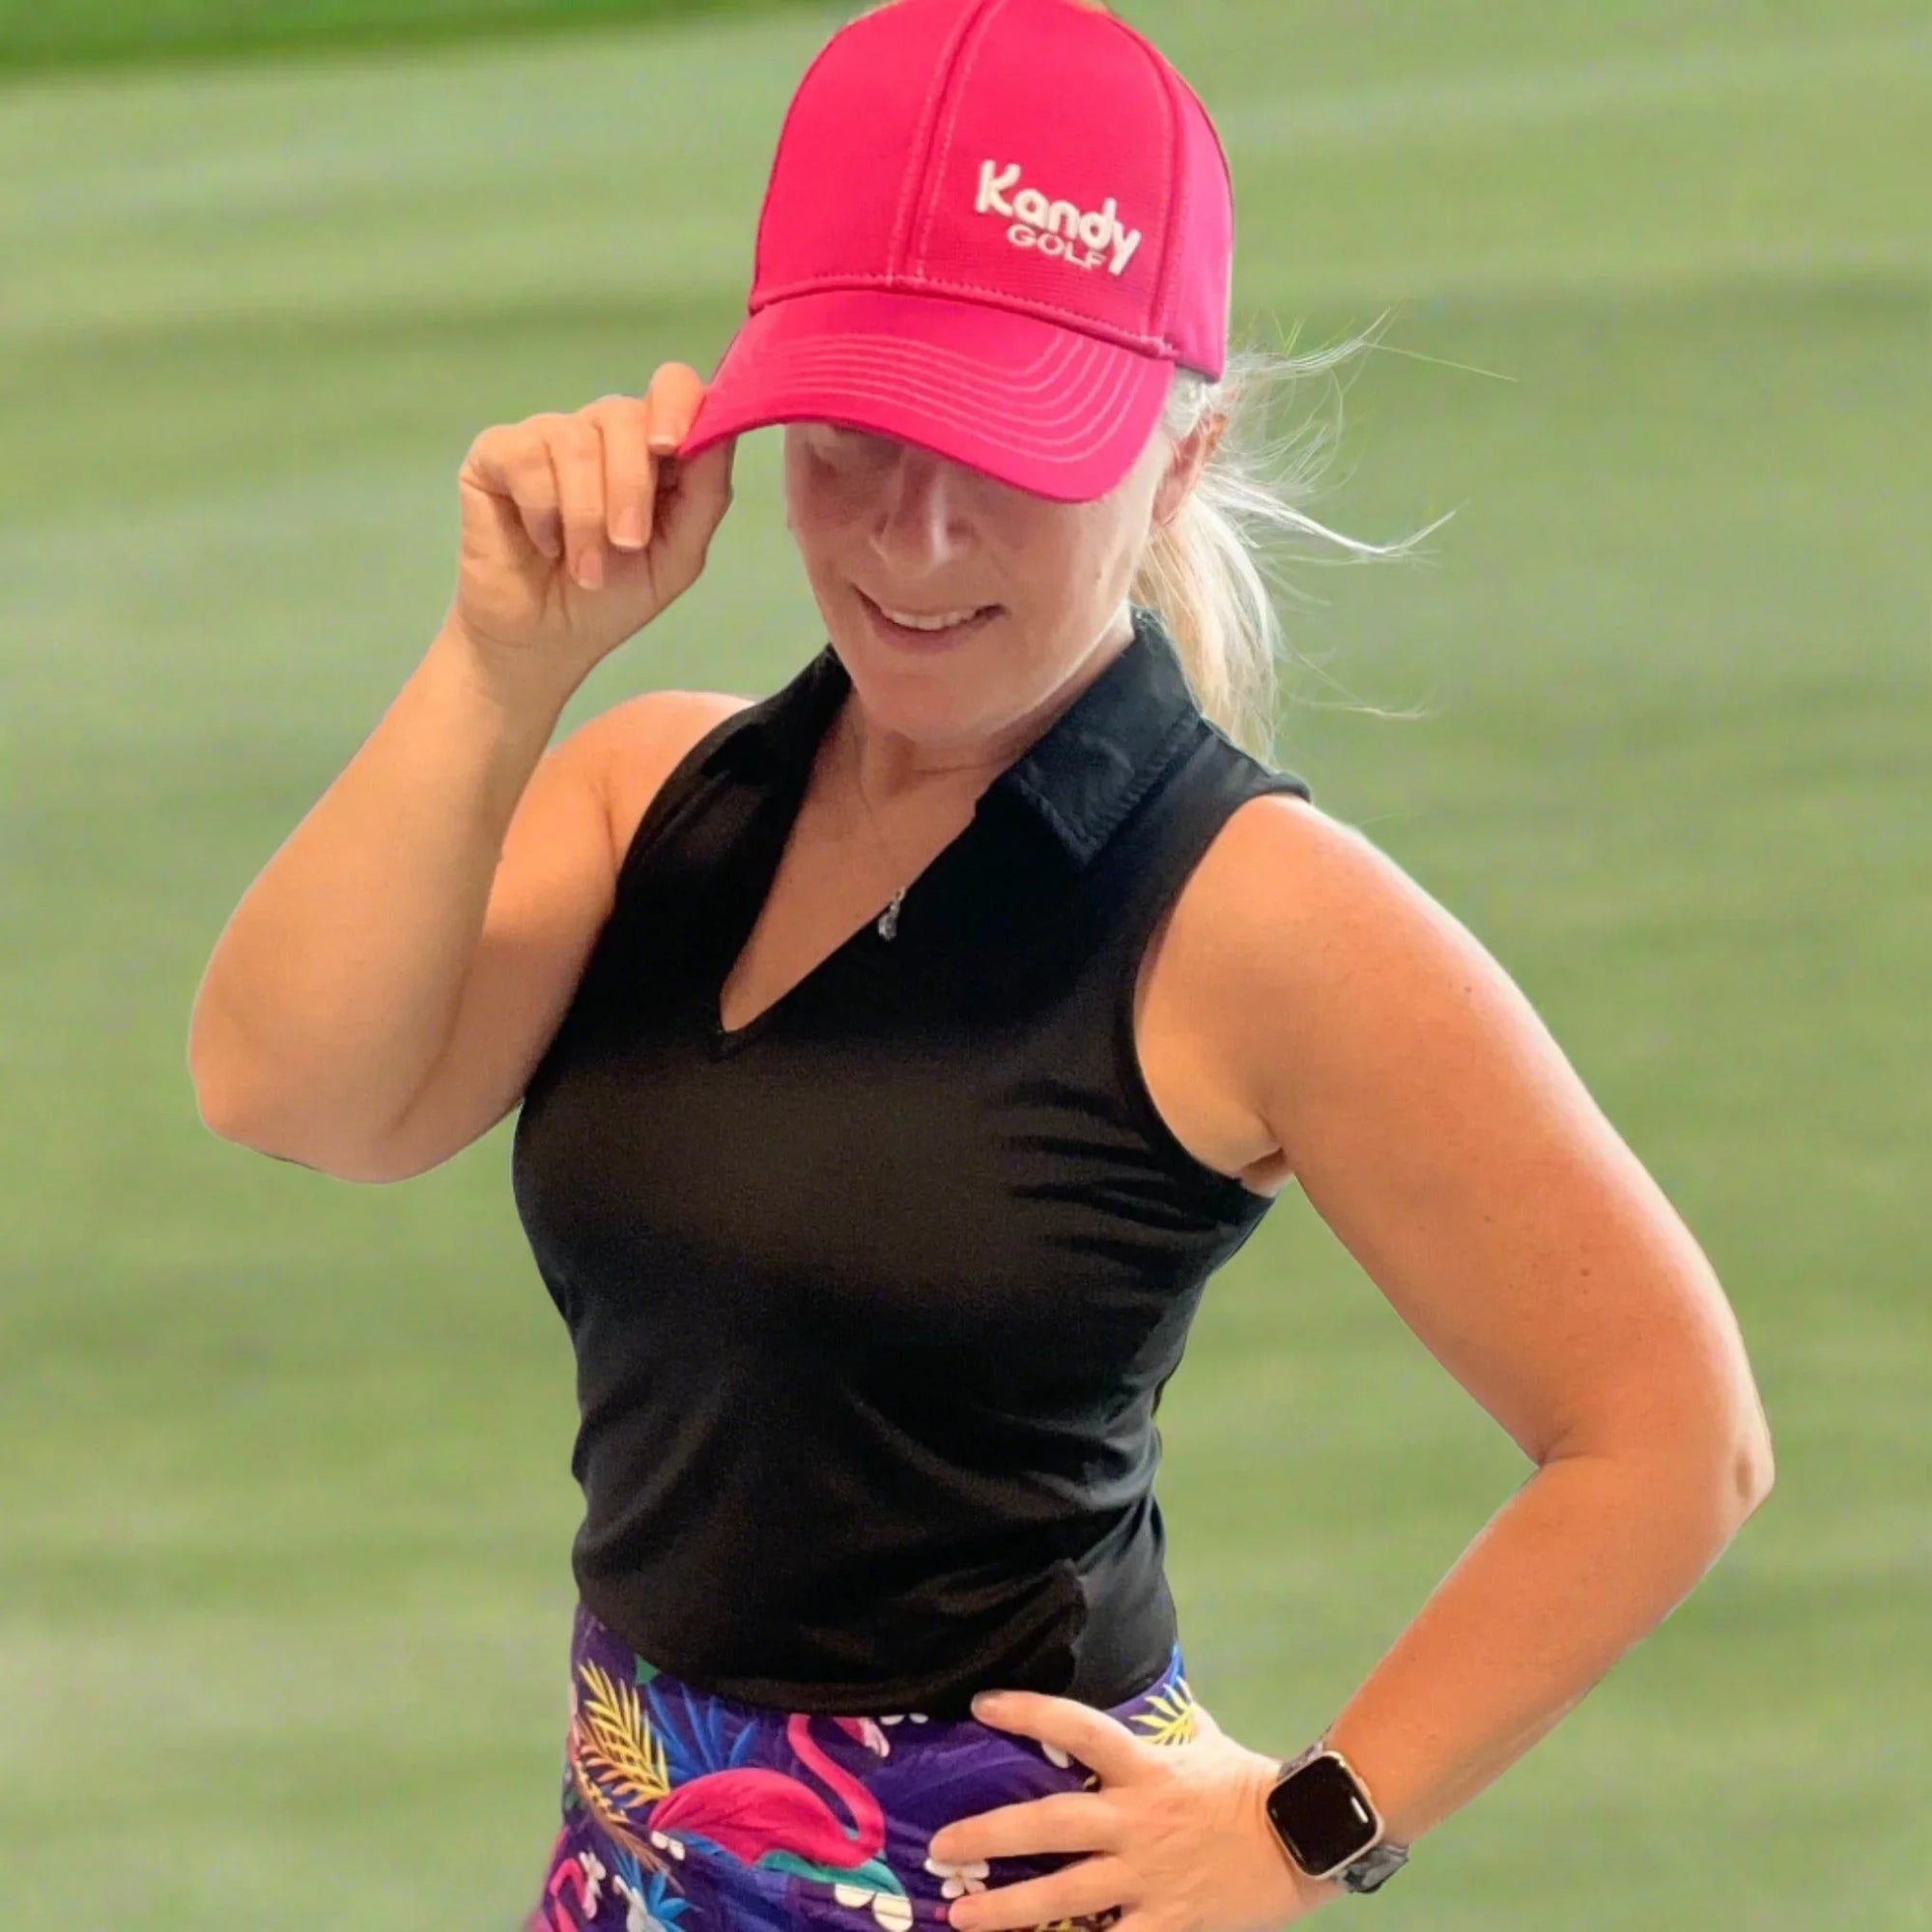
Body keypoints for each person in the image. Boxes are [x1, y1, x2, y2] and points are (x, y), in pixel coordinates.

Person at [187, 2, 1776, 1929]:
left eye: (1004, 451)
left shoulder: (1255, 915)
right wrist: (503, 663)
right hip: (633, 1857)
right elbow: (294, 1093)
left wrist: (1303, 1827)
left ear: (1180, 454)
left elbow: (1670, 1432)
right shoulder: (653, 794)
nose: (916, 538)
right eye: (852, 439)